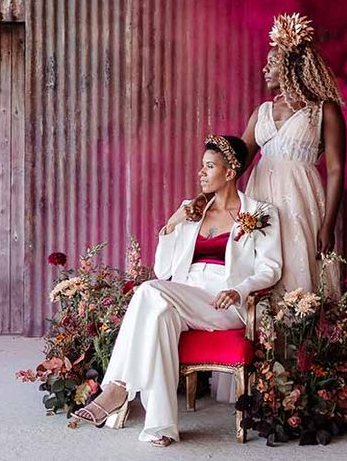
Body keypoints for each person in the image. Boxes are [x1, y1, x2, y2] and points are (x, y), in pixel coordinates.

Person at [71, 134, 282, 447]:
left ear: (230, 172)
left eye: (209, 166)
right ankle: (162, 427)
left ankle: (117, 387)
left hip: (224, 301)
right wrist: (171, 224)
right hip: (181, 294)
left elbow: (270, 268)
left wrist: (240, 289)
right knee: (159, 320)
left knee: (148, 292)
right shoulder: (191, 210)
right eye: (201, 166)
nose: (201, 172)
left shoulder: (260, 213)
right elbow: (162, 270)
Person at [240, 12, 346, 299]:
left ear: (291, 67)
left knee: (299, 269)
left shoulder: (324, 111)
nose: (265, 69)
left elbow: (336, 170)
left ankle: (302, 340)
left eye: (272, 63)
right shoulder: (260, 113)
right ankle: (263, 338)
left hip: (300, 201)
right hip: (261, 200)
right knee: (264, 267)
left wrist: (328, 224)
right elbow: (238, 162)